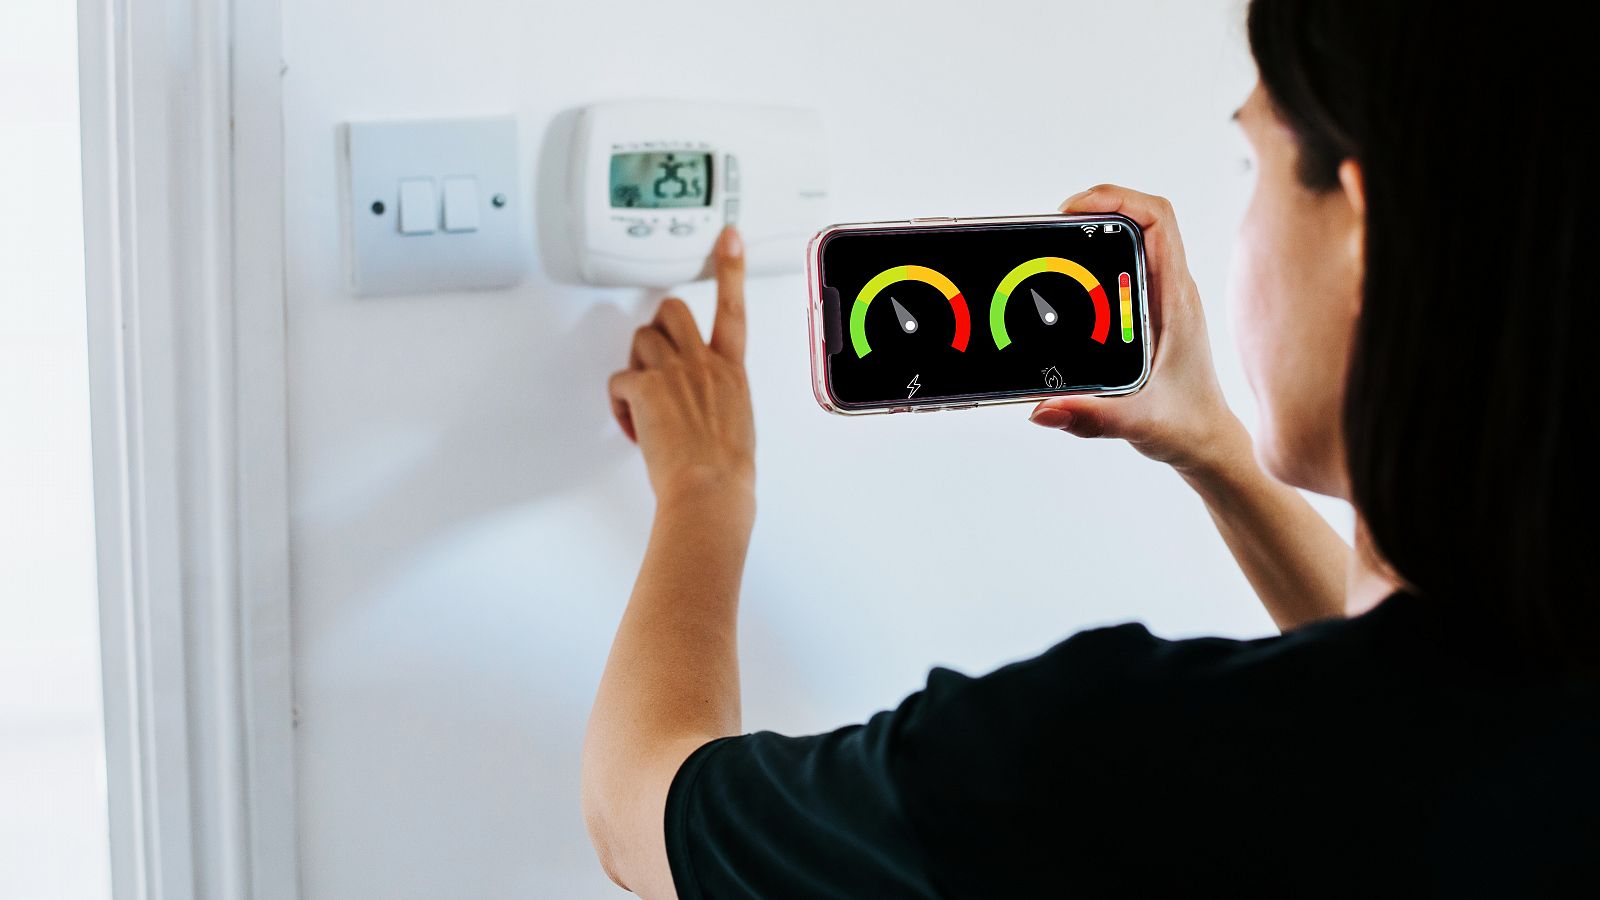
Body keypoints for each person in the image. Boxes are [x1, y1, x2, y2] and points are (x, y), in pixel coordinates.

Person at [582, 0, 1598, 895]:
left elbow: (640, 814)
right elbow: (1410, 717)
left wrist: (705, 491)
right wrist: (1217, 455)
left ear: (1358, 238)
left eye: (1253, 166)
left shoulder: (1103, 765)